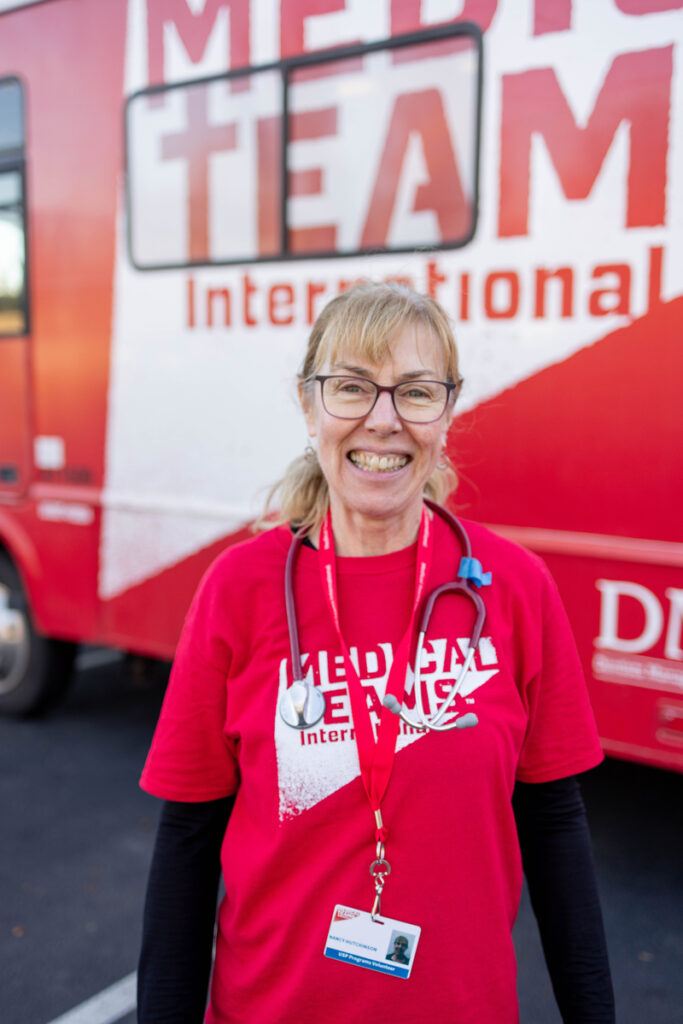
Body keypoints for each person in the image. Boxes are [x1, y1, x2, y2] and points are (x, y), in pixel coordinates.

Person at [138, 282, 615, 1023]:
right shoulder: (240, 588)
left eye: (416, 392)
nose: (383, 420)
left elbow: (553, 823)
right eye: (352, 387)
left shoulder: (512, 588)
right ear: (308, 405)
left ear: (447, 412)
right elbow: (187, 839)